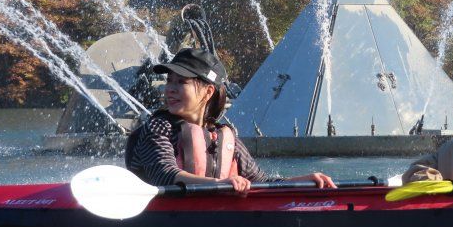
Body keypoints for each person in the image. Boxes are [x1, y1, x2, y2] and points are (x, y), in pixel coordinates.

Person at [126, 47, 336, 192]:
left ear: (208, 91)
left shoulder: (224, 135)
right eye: (169, 81)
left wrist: (301, 181)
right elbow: (163, 175)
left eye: (181, 82)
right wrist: (220, 183)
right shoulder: (158, 127)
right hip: (163, 215)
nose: (170, 89)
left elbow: (259, 181)